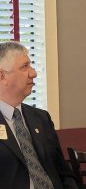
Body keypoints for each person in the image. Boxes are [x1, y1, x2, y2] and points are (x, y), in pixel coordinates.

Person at [0, 41, 79, 189]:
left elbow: (63, 173)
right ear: (2, 76)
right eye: (24, 67)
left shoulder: (41, 118)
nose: (33, 73)